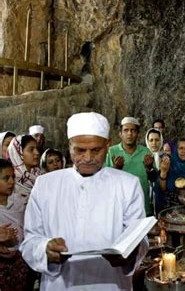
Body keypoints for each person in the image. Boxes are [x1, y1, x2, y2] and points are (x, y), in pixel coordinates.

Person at [19, 112, 148, 290]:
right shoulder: (45, 185)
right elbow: (30, 241)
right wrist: (44, 249)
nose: (87, 158)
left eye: (96, 150)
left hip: (110, 283)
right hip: (60, 284)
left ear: (108, 145)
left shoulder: (128, 185)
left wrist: (131, 253)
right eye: (79, 150)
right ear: (69, 145)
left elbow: (138, 238)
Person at [105, 117, 154, 216]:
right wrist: (116, 169)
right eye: (126, 130)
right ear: (120, 134)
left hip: (142, 205)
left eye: (133, 130)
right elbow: (104, 181)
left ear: (138, 134)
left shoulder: (146, 152)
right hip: (119, 207)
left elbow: (153, 179)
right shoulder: (111, 152)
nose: (129, 134)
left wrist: (149, 168)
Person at [0, 159, 29, 290]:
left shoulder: (19, 202)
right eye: (6, 178)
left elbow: (28, 228)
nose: (12, 182)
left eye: (13, 177)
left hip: (20, 261)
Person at [159, 138, 185, 207]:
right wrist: (163, 172)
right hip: (173, 206)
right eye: (181, 148)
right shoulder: (169, 164)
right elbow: (162, 189)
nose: (184, 151)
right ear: (176, 150)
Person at [6, 135, 41, 204]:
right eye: (31, 150)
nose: (37, 153)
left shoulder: (41, 176)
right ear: (19, 153)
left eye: (37, 149)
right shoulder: (10, 182)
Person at [145, 128, 165, 214]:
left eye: (157, 140)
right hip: (146, 196)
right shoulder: (143, 157)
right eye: (151, 140)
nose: (154, 143)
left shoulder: (166, 158)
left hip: (162, 198)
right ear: (147, 141)